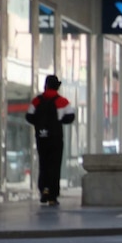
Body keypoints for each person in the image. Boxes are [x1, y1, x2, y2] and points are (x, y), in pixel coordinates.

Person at [25, 74, 75, 206]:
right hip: (56, 138)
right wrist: (59, 121)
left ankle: (44, 190)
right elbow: (70, 116)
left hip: (41, 137)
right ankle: (52, 195)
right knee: (54, 165)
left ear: (45, 85)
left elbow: (29, 116)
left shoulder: (37, 100)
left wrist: (40, 124)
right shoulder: (62, 101)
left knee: (44, 164)